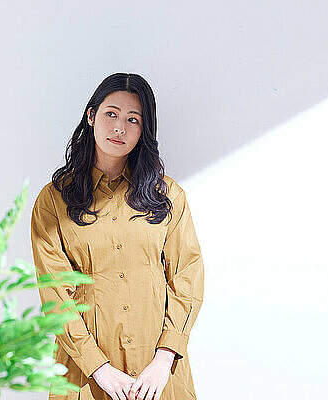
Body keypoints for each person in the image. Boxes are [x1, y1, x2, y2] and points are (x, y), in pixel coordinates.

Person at [30, 72, 204, 400]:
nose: (119, 128)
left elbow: (187, 280)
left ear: (144, 130)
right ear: (91, 115)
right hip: (85, 374)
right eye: (111, 114)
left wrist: (164, 359)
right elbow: (55, 297)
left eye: (133, 119)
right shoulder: (53, 201)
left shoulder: (168, 196)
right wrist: (100, 369)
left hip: (158, 374)